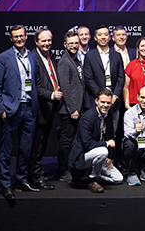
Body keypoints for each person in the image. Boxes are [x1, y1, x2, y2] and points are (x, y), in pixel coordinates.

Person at [0, 25, 40, 200]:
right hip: (11, 109)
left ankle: (21, 179)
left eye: (21, 36)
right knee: (6, 150)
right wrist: (1, 109)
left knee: (25, 149)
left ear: (26, 36)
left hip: (29, 109)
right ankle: (5, 184)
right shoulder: (3, 58)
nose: (19, 39)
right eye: (15, 37)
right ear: (11, 39)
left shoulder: (32, 57)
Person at [68, 88, 123, 193]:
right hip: (82, 156)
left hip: (99, 156)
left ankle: (88, 178)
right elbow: (88, 144)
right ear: (96, 101)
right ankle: (93, 179)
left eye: (108, 103)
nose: (105, 105)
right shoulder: (87, 118)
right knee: (103, 150)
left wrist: (109, 157)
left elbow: (110, 135)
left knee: (118, 178)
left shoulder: (109, 113)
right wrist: (107, 144)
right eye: (103, 102)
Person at [28, 28, 60, 190]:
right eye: (43, 41)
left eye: (49, 40)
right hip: (39, 109)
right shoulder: (32, 58)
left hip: (49, 109)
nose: (47, 43)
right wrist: (52, 95)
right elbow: (35, 86)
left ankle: (36, 173)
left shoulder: (50, 55)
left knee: (42, 143)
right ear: (36, 41)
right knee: (37, 145)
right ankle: (36, 178)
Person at [83, 25, 125, 138]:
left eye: (106, 35)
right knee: (96, 133)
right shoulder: (89, 56)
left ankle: (110, 156)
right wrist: (102, 97)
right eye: (100, 35)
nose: (103, 37)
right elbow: (88, 79)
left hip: (114, 102)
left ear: (110, 37)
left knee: (113, 133)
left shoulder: (116, 56)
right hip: (96, 101)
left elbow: (121, 78)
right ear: (95, 38)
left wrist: (115, 96)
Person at [56, 31, 85, 184]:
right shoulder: (64, 62)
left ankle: (69, 167)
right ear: (65, 45)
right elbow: (65, 88)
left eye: (76, 43)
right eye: (71, 43)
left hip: (76, 109)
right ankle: (62, 171)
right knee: (65, 141)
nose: (74, 46)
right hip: (69, 111)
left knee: (70, 140)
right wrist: (72, 108)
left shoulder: (76, 59)